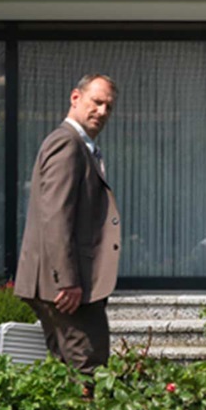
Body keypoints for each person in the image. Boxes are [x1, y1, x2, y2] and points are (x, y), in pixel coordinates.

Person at [14, 74, 121, 374]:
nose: (102, 112)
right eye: (96, 102)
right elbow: (56, 216)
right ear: (76, 98)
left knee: (66, 370)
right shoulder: (67, 143)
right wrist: (68, 280)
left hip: (58, 284)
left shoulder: (78, 146)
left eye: (108, 107)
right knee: (88, 367)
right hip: (65, 288)